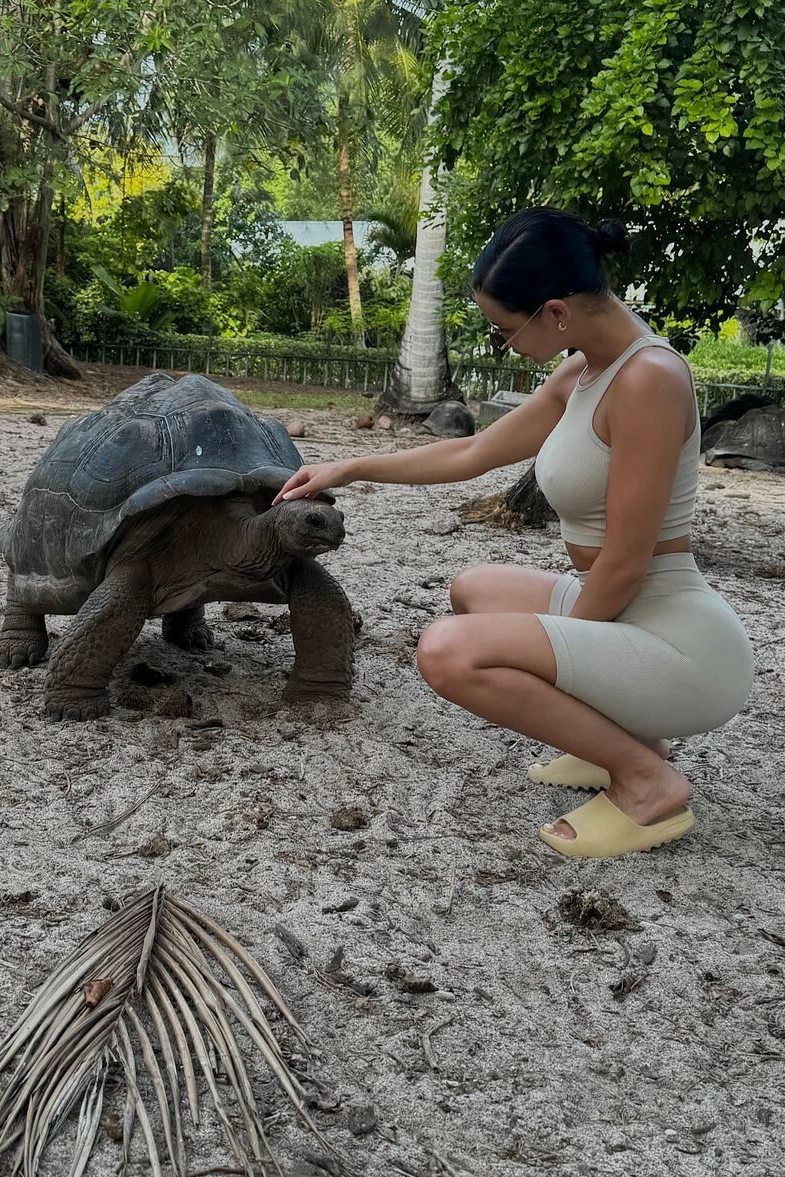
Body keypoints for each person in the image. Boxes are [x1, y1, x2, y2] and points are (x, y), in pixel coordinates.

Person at [273, 207, 754, 859]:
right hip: (630, 612)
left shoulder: (648, 380)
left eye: (503, 331)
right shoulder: (583, 370)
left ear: (555, 312)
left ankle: (648, 782)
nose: (502, 345)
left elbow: (624, 565)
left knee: (448, 652)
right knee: (474, 589)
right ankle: (633, 742)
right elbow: (472, 453)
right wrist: (353, 466)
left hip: (683, 645)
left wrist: (572, 654)